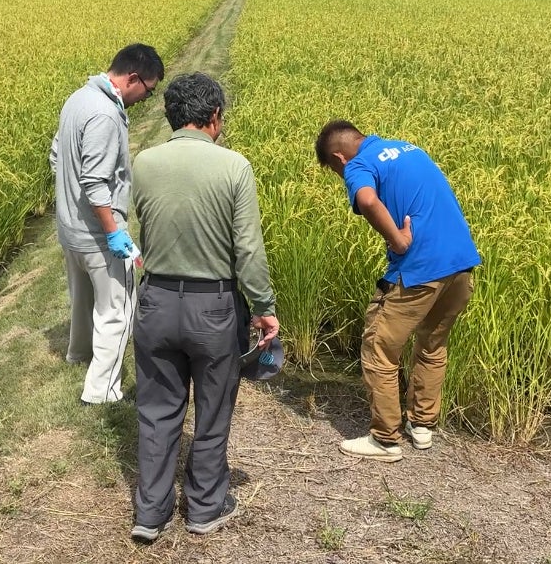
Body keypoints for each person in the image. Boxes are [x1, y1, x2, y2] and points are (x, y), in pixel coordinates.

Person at [129, 72, 279, 541]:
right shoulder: (234, 167)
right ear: (214, 117)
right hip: (213, 308)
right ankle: (204, 508)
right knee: (212, 412)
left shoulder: (144, 162)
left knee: (157, 410)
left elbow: (147, 225)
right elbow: (248, 251)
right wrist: (264, 306)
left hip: (154, 301)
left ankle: (150, 515)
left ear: (172, 115)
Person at [314, 120, 480, 462]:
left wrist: (398, 239)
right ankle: (422, 426)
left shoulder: (358, 164)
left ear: (338, 158)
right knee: (432, 345)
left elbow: (367, 198)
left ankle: (385, 439)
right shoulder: (408, 147)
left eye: (333, 170)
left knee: (379, 348)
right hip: (461, 264)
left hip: (420, 269)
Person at [50, 43, 164, 405]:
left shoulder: (78, 99)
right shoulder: (104, 114)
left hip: (70, 230)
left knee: (82, 298)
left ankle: (78, 354)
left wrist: (70, 202)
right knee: (117, 309)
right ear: (132, 78)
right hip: (98, 235)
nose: (147, 99)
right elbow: (95, 181)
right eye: (148, 90)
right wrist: (114, 231)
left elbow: (57, 156)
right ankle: (101, 391)